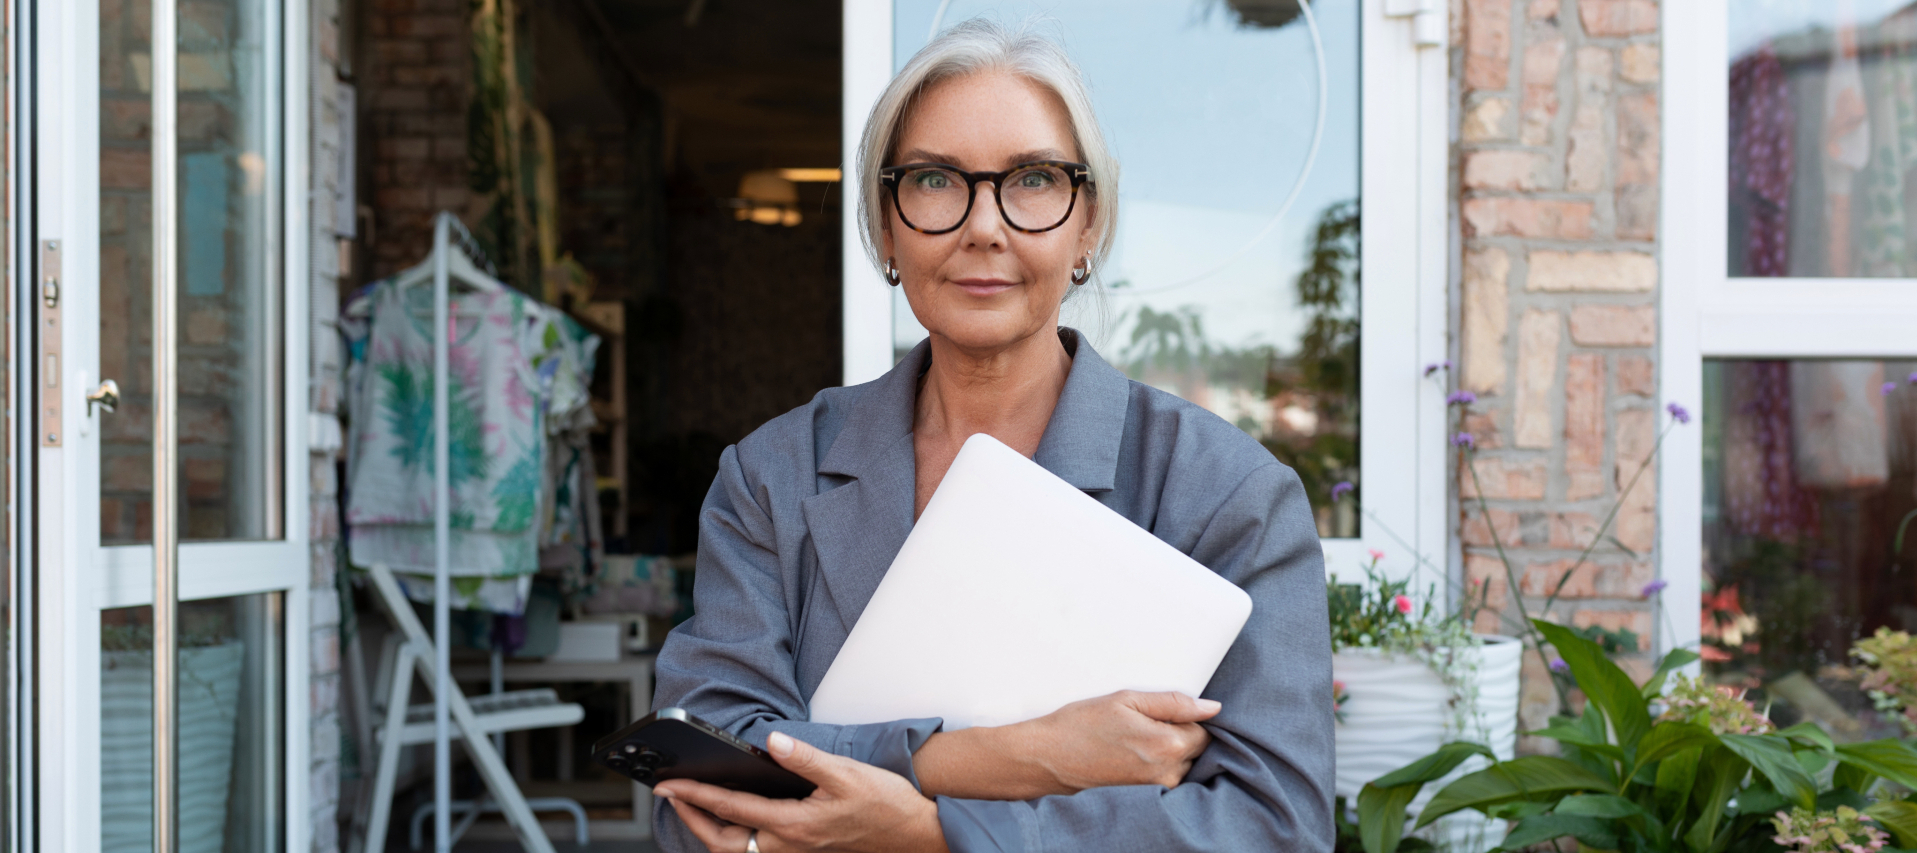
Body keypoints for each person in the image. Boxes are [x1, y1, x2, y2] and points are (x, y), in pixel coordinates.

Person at [649, 18, 1333, 853]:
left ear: (1087, 227)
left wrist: (932, 833)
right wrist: (1014, 756)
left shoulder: (1227, 493)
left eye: (1034, 179)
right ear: (886, 227)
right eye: (936, 180)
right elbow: (695, 784)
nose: (983, 226)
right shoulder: (772, 476)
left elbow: (1273, 827)